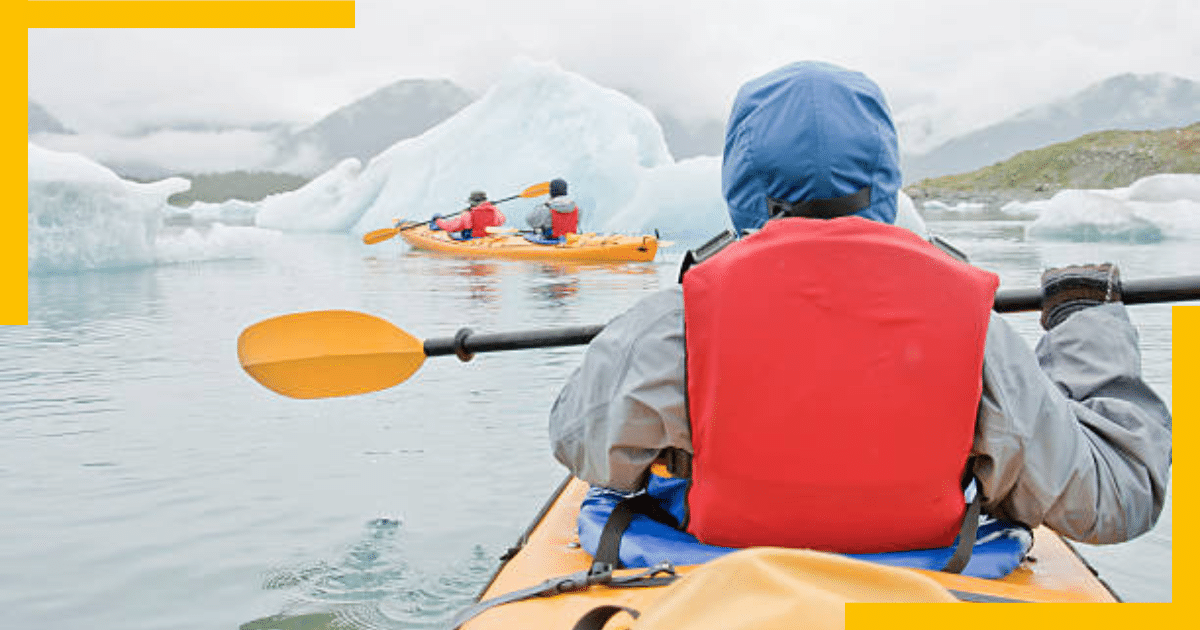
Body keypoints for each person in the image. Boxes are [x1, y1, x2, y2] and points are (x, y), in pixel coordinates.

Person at [547, 61, 1171, 560]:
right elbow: (1118, 497)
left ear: (741, 179)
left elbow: (580, 443)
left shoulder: (677, 320)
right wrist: (1087, 321)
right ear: (884, 174)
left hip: (722, 568)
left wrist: (680, 445)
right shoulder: (973, 332)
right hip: (933, 572)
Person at [432, 190, 506, 239]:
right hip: (488, 237)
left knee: (451, 234)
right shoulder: (494, 211)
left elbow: (451, 227)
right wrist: (492, 206)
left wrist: (438, 221)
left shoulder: (468, 214)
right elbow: (502, 220)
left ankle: (434, 226)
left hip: (473, 239)